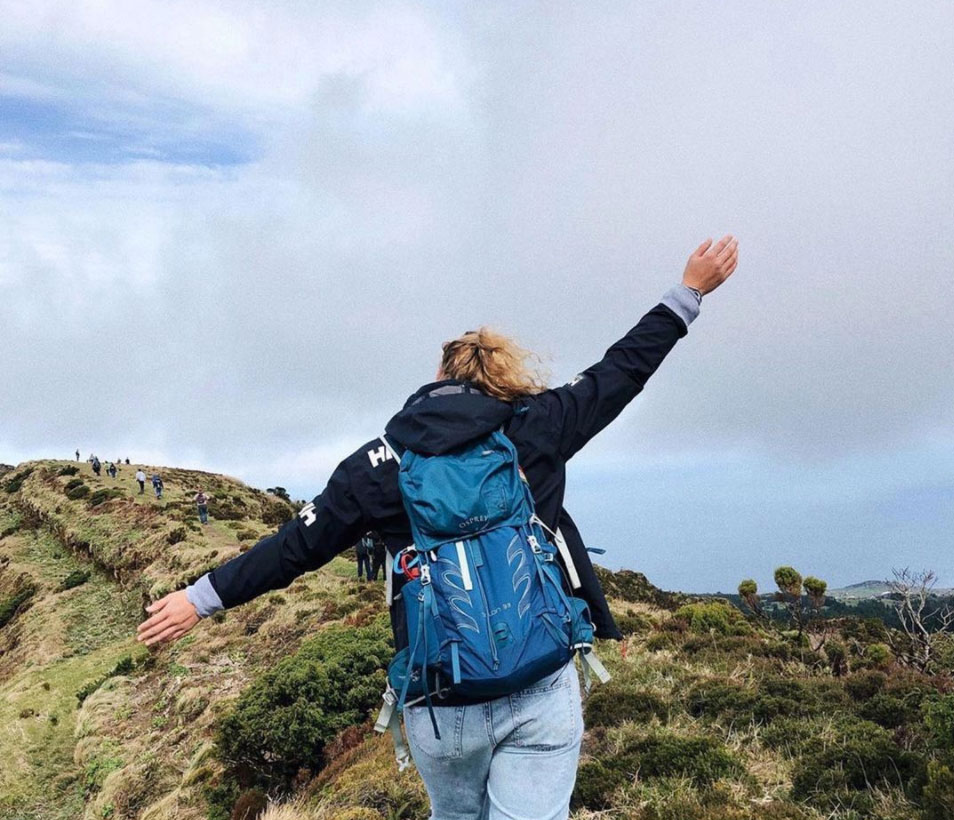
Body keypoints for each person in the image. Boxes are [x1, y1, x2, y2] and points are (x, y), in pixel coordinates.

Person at [137, 236, 739, 820]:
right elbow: (622, 369)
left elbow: (296, 546)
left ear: (435, 379)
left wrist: (202, 598)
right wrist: (688, 291)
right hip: (541, 680)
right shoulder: (539, 423)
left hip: (439, 697)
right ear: (500, 375)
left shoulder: (378, 463)